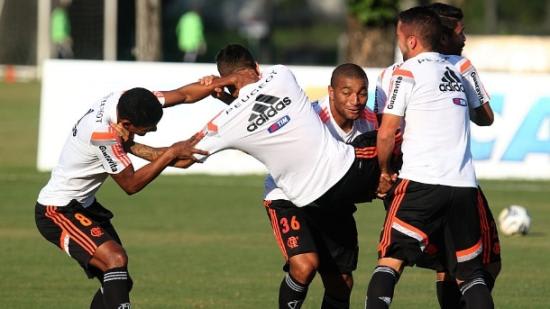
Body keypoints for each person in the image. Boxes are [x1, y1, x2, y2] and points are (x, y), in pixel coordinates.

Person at [34, 76, 248, 309]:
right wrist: (170, 153)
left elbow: (184, 94)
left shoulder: (129, 101)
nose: (153, 129)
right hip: (57, 212)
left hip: (83, 206)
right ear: (126, 123)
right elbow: (131, 185)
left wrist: (226, 80)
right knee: (115, 260)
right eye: (147, 129)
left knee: (119, 281)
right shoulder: (103, 134)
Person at [373, 3, 501, 308]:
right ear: (441, 35)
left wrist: (383, 171)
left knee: (391, 258)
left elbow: (386, 131)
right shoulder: (462, 67)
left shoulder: (400, 74)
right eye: (461, 31)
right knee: (471, 271)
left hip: (418, 183)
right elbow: (485, 117)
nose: (465, 37)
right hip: (462, 185)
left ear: (412, 39)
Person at [262, 63, 378, 309]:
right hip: (289, 196)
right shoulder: (310, 118)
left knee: (342, 282)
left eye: (362, 92)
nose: (356, 100)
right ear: (331, 92)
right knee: (304, 266)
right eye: (347, 92)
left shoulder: (372, 124)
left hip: (334, 203)